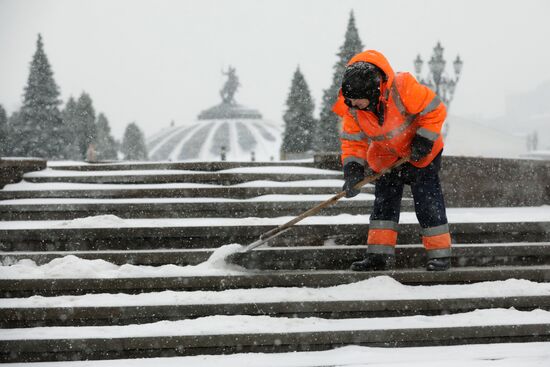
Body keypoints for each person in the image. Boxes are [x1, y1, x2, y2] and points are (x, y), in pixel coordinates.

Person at [332, 49, 451, 271]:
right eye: (350, 102)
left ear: (374, 91)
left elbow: (436, 110)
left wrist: (423, 141)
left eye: (359, 101)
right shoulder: (352, 107)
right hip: (386, 158)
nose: (354, 106)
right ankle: (378, 257)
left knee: (427, 201)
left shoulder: (403, 86)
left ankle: (439, 256)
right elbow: (352, 141)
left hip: (421, 153)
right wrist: (353, 170)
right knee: (384, 205)